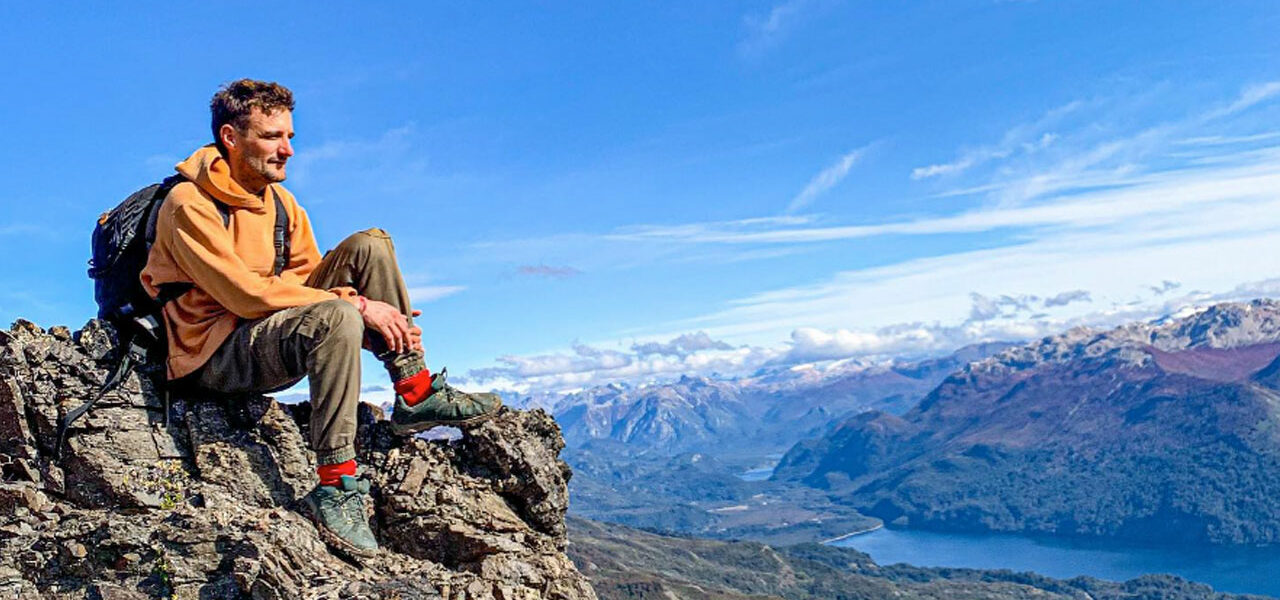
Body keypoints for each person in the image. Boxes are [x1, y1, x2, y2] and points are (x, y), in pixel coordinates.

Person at [140, 78, 500, 557]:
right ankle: (335, 486)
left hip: (265, 333)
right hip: (211, 356)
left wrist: (368, 304)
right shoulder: (189, 205)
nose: (287, 149)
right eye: (272, 137)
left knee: (370, 245)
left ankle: (415, 393)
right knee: (336, 317)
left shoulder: (282, 204)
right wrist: (357, 307)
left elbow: (310, 280)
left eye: (290, 136)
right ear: (230, 137)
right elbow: (246, 296)